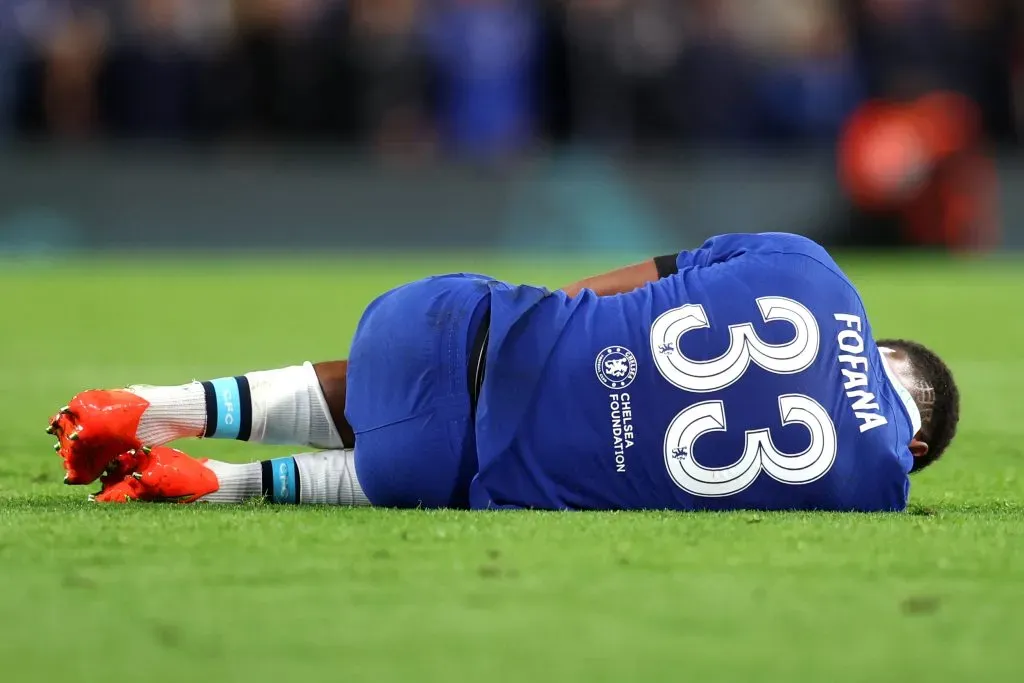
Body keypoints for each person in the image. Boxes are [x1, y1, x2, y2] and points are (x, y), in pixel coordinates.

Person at [47, 233, 959, 512]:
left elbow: (630, 279)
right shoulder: (875, 483)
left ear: (885, 345)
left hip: (435, 324)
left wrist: (556, 328)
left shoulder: (811, 270)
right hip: (436, 470)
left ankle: (165, 404)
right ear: (913, 441)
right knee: (435, 460)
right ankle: (227, 488)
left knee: (431, 368)